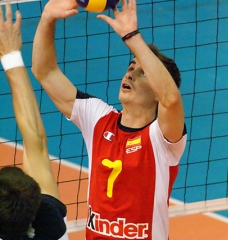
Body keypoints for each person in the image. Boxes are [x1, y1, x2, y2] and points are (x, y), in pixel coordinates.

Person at [32, 0, 187, 239]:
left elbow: (171, 100)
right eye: (131, 66)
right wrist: (47, 18)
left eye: (142, 72)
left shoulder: (163, 138)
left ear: (157, 91)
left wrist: (132, 37)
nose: (130, 74)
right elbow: (44, 71)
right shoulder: (98, 118)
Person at [0, 4, 67, 240]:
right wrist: (10, 55)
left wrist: (9, 55)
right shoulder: (52, 229)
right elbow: (35, 142)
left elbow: (36, 141)